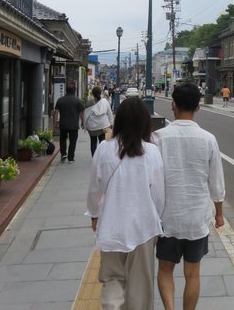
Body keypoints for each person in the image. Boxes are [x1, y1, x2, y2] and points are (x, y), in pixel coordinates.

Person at [86, 97, 164, 310]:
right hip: (143, 228)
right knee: (140, 287)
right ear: (144, 123)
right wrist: (155, 216)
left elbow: (94, 189)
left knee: (112, 281)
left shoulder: (103, 148)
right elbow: (158, 196)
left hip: (111, 225)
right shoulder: (152, 152)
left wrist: (94, 215)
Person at [153, 82, 225, 310]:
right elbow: (216, 182)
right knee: (192, 273)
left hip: (167, 218)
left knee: (165, 269)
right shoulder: (208, 139)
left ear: (173, 105)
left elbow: (151, 181)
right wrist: (219, 214)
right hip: (196, 218)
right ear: (198, 107)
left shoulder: (158, 137)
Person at [53, 85, 84, 163]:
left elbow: (55, 113)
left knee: (62, 139)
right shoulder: (78, 101)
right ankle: (71, 157)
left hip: (63, 124)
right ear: (74, 91)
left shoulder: (60, 100)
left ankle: (63, 154)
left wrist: (54, 124)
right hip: (74, 125)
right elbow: (81, 113)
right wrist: (83, 122)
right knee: (73, 141)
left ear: (65, 90)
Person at [85, 86, 114, 157]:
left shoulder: (89, 103)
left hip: (92, 127)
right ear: (100, 93)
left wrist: (85, 125)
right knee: (103, 142)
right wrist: (111, 124)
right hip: (103, 126)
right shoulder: (105, 102)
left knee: (93, 142)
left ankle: (94, 157)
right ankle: (102, 157)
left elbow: (86, 116)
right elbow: (110, 114)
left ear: (93, 94)